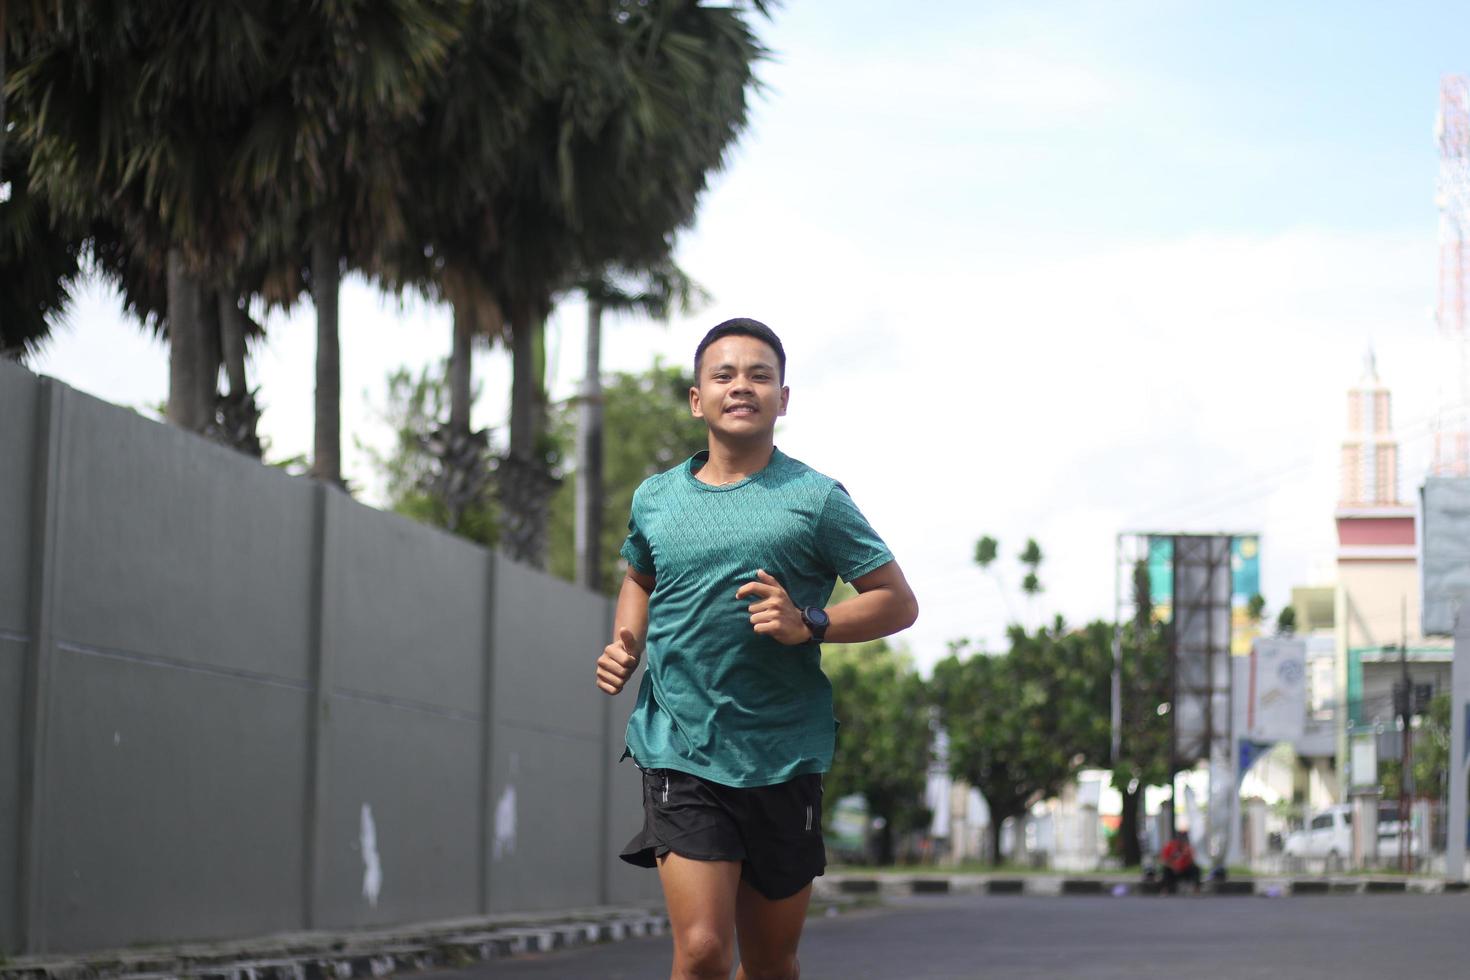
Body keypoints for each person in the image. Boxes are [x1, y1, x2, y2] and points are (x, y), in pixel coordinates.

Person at [595, 318, 918, 980]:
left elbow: (896, 600)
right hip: (681, 746)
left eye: (758, 375)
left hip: (783, 751)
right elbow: (638, 575)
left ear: (783, 399)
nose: (741, 385)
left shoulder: (816, 500)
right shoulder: (656, 498)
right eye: (724, 374)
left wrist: (812, 621)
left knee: (770, 964)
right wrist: (626, 639)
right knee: (705, 949)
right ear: (697, 399)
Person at [1159, 829, 1202, 894]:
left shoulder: (1187, 847)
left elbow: (1191, 861)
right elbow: (1164, 860)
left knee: (1195, 869)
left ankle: (1196, 889)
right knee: (1165, 870)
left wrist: (1186, 854)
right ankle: (1165, 889)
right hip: (1173, 870)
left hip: (1184, 870)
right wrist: (1173, 866)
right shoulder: (1170, 846)